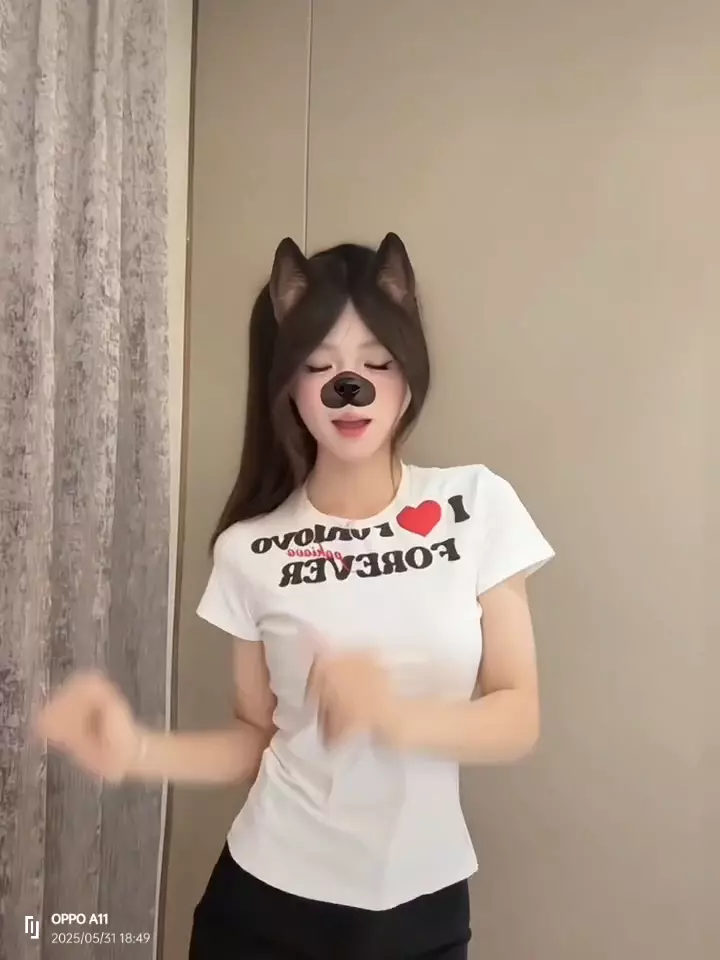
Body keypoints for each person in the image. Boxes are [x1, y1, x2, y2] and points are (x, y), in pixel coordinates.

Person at [37, 232, 555, 959]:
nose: (351, 385)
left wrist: (391, 716)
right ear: (289, 383)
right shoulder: (249, 548)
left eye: (377, 361)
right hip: (265, 905)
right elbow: (257, 737)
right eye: (319, 365)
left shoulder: (476, 504)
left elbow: (518, 714)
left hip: (424, 907)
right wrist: (135, 751)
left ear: (409, 369)